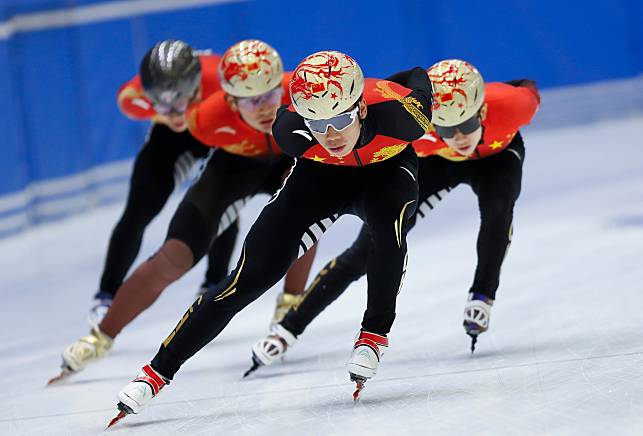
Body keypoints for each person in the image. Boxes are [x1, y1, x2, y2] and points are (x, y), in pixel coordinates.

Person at [106, 50, 433, 424]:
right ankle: (156, 373)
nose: (330, 135)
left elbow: (416, 75)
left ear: (359, 109)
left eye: (340, 119)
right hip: (319, 180)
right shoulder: (290, 132)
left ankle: (374, 334)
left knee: (388, 234)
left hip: (386, 174)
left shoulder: (405, 119)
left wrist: (393, 84)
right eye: (317, 123)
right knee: (242, 283)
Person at [53, 40, 317, 383]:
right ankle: (100, 336)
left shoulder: (304, 92)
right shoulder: (202, 117)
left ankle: (290, 303)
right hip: (234, 168)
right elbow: (144, 116)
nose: (265, 108)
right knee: (173, 257)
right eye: (252, 100)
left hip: (287, 159)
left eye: (271, 95)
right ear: (230, 99)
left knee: (302, 206)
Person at [250, 59, 541, 370]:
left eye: (467, 124)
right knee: (366, 250)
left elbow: (527, 87)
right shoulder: (415, 126)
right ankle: (288, 328)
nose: (459, 138)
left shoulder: (515, 105)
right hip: (437, 163)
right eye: (446, 128)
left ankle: (482, 295)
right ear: (432, 123)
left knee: (498, 211)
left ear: (482, 112)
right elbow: (377, 102)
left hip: (498, 160)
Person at [88, 39, 240, 327]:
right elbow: (126, 99)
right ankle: (105, 295)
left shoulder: (222, 78)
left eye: (179, 102)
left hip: (214, 126)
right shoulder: (144, 94)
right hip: (171, 141)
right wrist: (164, 112)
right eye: (160, 104)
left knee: (220, 205)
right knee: (138, 211)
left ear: (195, 86)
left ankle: (212, 283)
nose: (172, 112)